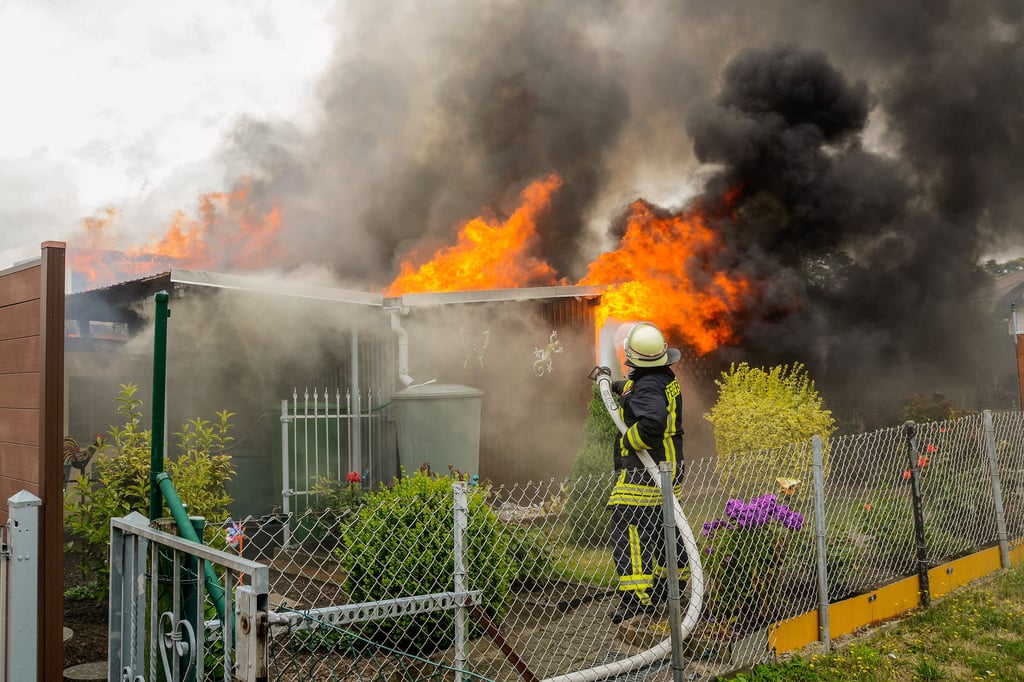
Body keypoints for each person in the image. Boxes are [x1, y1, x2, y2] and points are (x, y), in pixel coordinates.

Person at [607, 322, 686, 624]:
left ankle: (637, 600)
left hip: (647, 471)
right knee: (666, 526)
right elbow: (645, 392)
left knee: (628, 527)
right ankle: (671, 589)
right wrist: (621, 388)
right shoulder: (663, 377)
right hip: (670, 468)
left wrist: (628, 440)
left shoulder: (648, 385)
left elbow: (652, 422)